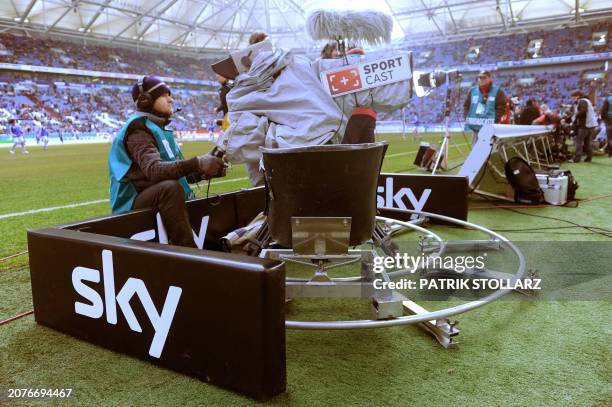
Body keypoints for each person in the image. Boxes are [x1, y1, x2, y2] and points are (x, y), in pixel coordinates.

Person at [108, 76, 225, 248]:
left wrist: (206, 170)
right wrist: (197, 163)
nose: (171, 98)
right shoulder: (138, 130)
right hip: (130, 203)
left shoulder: (159, 129)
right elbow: (154, 171)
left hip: (149, 192)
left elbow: (178, 174)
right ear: (146, 100)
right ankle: (187, 251)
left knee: (172, 185)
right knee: (169, 189)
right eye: (164, 95)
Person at [464, 70, 507, 143]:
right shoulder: (472, 91)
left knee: (490, 151)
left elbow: (501, 107)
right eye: (480, 78)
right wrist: (467, 117)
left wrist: (495, 119)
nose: (481, 80)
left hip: (491, 129)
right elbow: (466, 105)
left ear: (490, 79)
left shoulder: (497, 91)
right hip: (476, 128)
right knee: (476, 150)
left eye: (484, 78)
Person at [569, 90, 597, 163]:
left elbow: (583, 111)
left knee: (579, 142)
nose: (573, 99)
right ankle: (589, 158)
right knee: (587, 142)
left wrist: (575, 116)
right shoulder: (587, 101)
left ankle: (576, 159)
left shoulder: (582, 101)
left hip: (584, 125)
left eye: (573, 97)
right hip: (590, 125)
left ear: (577, 96)